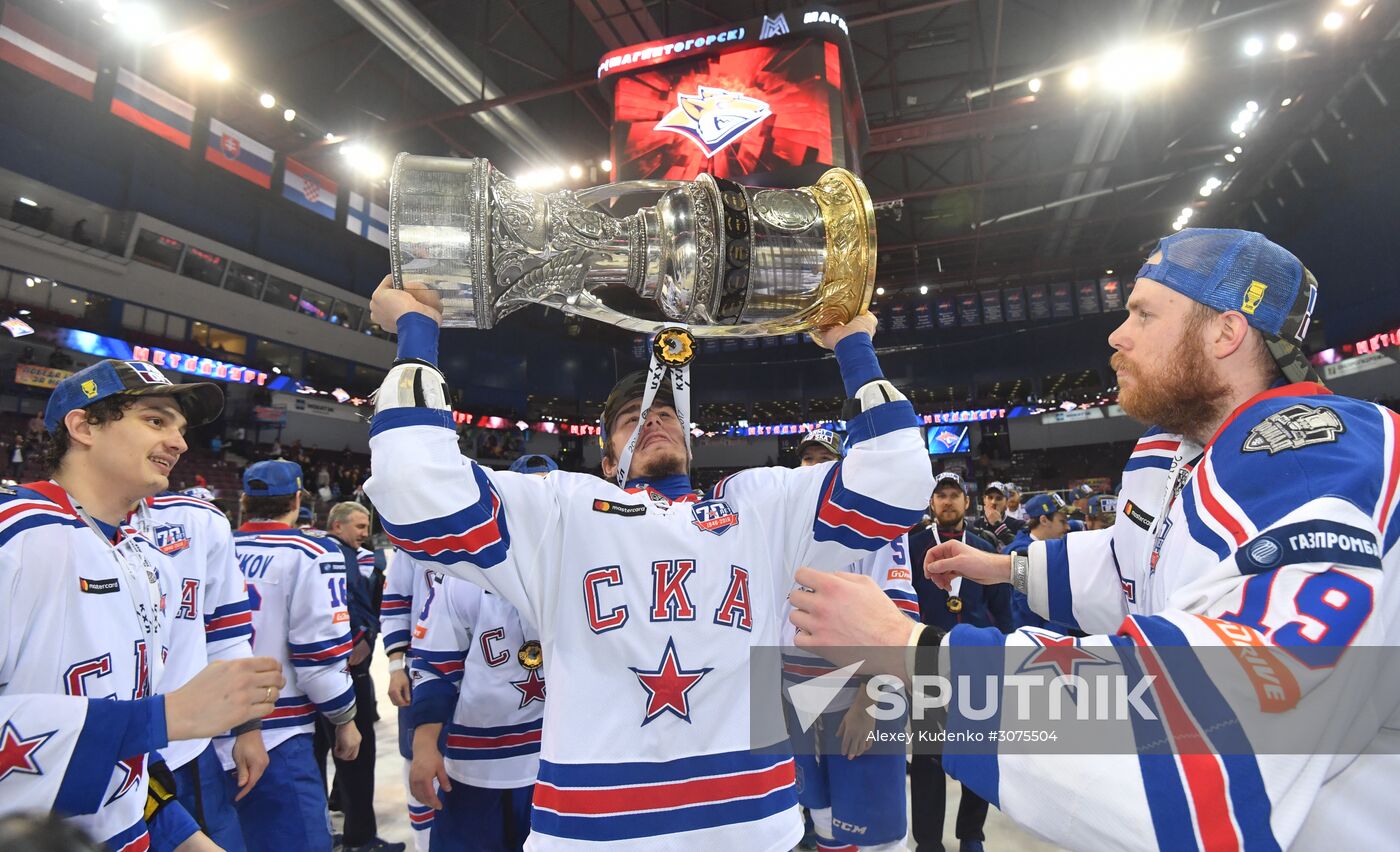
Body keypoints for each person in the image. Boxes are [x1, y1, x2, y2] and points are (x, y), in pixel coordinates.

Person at [787, 228, 1399, 848]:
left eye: (1144, 313)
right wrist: (1006, 568)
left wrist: (908, 651)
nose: (1117, 333)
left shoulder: (1316, 461)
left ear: (1226, 332)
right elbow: (1136, 565)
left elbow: (1209, 729)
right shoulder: (1175, 449)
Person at [364, 277, 932, 850]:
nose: (654, 420)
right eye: (632, 418)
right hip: (596, 833)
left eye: (665, 413)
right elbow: (416, 490)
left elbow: (896, 481)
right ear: (609, 460)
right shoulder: (564, 512)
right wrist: (417, 334)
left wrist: (852, 344)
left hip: (753, 824)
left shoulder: (758, 510)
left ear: (690, 440)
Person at [0, 359, 284, 850]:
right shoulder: (15, 535)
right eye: (156, 420)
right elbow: (141, 723)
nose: (179, 443)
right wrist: (161, 718)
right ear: (83, 425)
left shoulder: (150, 562)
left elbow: (127, 761)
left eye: (179, 428)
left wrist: (183, 836)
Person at [781, 428, 916, 852]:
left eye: (826, 458)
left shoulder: (880, 526)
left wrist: (870, 703)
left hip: (856, 696)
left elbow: (900, 618)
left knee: (874, 829)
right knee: (821, 819)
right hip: (795, 696)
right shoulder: (782, 527)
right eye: (807, 459)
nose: (815, 466)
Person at [226, 460, 361, 852]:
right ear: (298, 498)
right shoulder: (312, 551)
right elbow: (317, 656)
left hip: (205, 729)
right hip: (277, 732)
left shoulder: (217, 547)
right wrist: (344, 718)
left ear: (245, 501)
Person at [129, 486, 265, 852]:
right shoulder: (29, 528)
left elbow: (228, 634)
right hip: (89, 754)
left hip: (184, 751)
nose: (179, 443)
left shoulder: (199, 520)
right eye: (155, 423)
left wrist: (248, 728)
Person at [905, 471, 1009, 852]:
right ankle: (929, 840)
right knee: (928, 757)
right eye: (940, 495)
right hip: (928, 662)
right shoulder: (913, 546)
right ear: (931, 504)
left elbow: (1001, 606)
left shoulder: (984, 546)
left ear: (967, 502)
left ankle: (971, 834)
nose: (947, 501)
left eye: (954, 495)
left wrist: (1007, 649)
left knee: (977, 751)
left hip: (977, 661)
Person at [410, 574, 545, 852]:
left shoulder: (570, 564)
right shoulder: (457, 574)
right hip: (475, 764)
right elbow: (435, 666)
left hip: (555, 762)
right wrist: (424, 744)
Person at [314, 500, 399, 852]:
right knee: (354, 754)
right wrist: (363, 636)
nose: (367, 534)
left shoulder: (319, 553)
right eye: (360, 527)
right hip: (341, 669)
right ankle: (359, 837)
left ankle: (331, 813)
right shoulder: (330, 556)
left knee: (320, 752)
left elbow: (378, 605)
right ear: (337, 526)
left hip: (318, 671)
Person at [381, 551, 438, 852]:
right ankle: (425, 844)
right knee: (419, 761)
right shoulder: (411, 533)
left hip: (493, 667)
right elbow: (396, 599)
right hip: (424, 666)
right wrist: (394, 665)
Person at [1004, 493, 1074, 632]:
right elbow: (1025, 604)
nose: (1068, 527)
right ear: (1044, 520)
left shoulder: (1055, 548)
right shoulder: (1020, 554)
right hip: (1036, 638)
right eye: (1062, 521)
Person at [967, 481, 1022, 550]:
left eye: (999, 498)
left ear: (1006, 502)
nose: (993, 502)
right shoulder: (975, 525)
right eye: (990, 497)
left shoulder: (1017, 525)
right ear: (984, 500)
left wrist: (998, 526)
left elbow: (1022, 554)